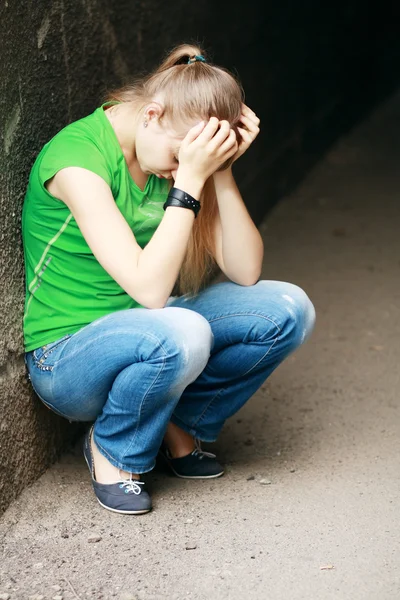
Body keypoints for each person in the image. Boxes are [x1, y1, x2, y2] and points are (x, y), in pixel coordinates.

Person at [22, 43, 316, 516]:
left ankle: (177, 422)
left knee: (287, 309)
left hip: (151, 329)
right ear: (152, 114)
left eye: (194, 159)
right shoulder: (78, 161)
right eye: (181, 156)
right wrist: (189, 182)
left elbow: (246, 270)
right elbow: (150, 290)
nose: (182, 169)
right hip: (67, 356)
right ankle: (116, 452)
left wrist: (218, 170)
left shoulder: (170, 151)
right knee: (184, 331)